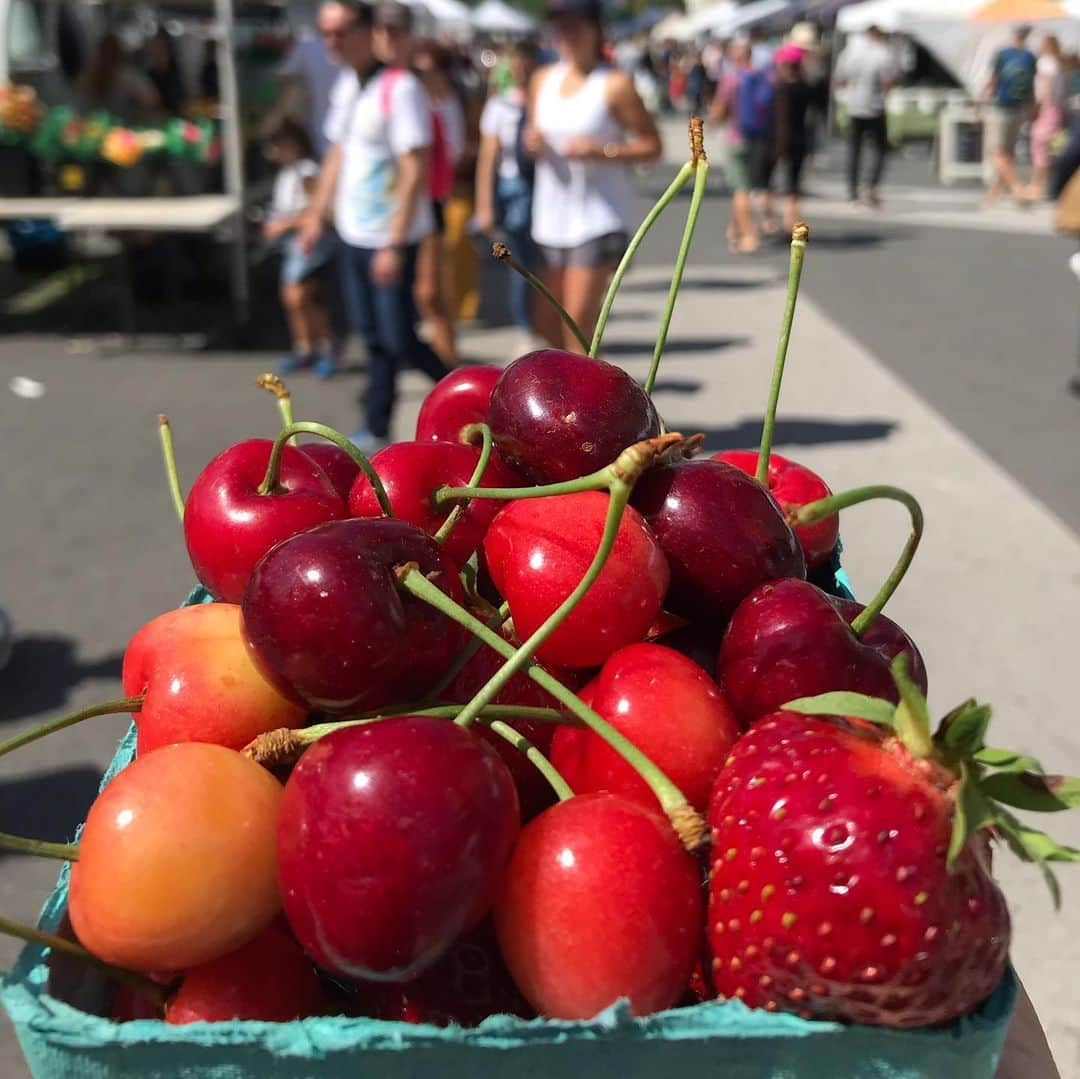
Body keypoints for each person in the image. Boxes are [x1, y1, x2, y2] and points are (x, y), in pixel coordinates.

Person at [300, 0, 448, 453]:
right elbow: (339, 153)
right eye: (325, 32)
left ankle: (467, 391)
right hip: (354, 233)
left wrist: (393, 242)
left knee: (399, 336)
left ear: (368, 32)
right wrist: (315, 213)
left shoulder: (399, 88)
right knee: (373, 336)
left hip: (389, 236)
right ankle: (377, 421)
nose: (332, 41)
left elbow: (414, 166)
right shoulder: (349, 85)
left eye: (341, 31)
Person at [524, 0, 661, 350]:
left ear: (594, 29)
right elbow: (531, 135)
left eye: (574, 25)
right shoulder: (542, 80)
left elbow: (651, 145)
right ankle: (565, 395)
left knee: (578, 321)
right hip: (550, 217)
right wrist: (532, 142)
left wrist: (601, 152)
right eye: (560, 26)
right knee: (543, 323)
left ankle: (581, 403)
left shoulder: (614, 84)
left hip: (598, 218)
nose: (566, 34)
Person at [475, 40, 541, 348]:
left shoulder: (544, 102)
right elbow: (488, 159)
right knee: (522, 265)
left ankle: (547, 325)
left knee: (547, 264)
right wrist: (484, 204)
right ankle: (528, 328)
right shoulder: (500, 107)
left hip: (547, 191)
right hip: (515, 190)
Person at [264, 118, 336, 378]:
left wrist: (285, 224)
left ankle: (325, 347)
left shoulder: (306, 171)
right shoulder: (288, 172)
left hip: (309, 242)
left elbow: (317, 208)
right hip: (293, 243)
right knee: (293, 298)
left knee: (306, 297)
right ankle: (304, 347)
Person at [413, 39, 465, 368]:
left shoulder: (445, 105)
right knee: (426, 295)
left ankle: (447, 364)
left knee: (430, 294)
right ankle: (446, 359)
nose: (425, 77)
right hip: (415, 204)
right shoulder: (420, 104)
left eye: (430, 70)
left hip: (430, 202)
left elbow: (453, 154)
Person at [709, 38, 775, 254]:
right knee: (748, 185)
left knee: (740, 190)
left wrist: (708, 125)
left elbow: (719, 109)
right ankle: (735, 229)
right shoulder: (762, 76)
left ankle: (749, 234)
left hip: (736, 138)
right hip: (758, 137)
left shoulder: (732, 79)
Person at [834, 25, 897, 208]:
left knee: (854, 150)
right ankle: (871, 185)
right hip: (875, 105)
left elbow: (840, 80)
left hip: (854, 105)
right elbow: (888, 82)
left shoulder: (851, 51)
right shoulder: (884, 53)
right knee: (880, 148)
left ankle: (852, 191)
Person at [277, 2, 345, 158]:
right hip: (324, 142)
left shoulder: (307, 45)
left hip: (335, 145)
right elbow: (285, 77)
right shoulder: (308, 45)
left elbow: (283, 78)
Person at [983, 25, 1036, 206]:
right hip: (1018, 107)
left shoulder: (1002, 54)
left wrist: (980, 100)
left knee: (996, 152)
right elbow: (1031, 86)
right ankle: (996, 189)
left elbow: (993, 80)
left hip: (1000, 105)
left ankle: (1017, 187)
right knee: (1008, 152)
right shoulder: (1030, 57)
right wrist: (1031, 107)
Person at [772, 44, 819, 234]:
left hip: (778, 139)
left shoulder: (779, 88)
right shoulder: (806, 87)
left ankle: (771, 220)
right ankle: (789, 221)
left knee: (766, 181)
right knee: (794, 183)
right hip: (799, 138)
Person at [78, 32, 159, 123]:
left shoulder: (89, 75)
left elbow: (80, 105)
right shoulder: (127, 76)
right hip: (123, 128)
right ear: (120, 52)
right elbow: (151, 100)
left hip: (95, 126)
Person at [1029, 35, 1067, 202]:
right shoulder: (1059, 63)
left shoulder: (1046, 62)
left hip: (1047, 107)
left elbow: (1046, 86)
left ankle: (1037, 186)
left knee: (1039, 144)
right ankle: (1042, 185)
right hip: (1057, 107)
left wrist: (1037, 106)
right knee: (1050, 146)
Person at [143, 30, 185, 117]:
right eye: (152, 52)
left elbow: (180, 101)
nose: (156, 54)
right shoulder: (150, 74)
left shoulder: (176, 72)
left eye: (159, 49)